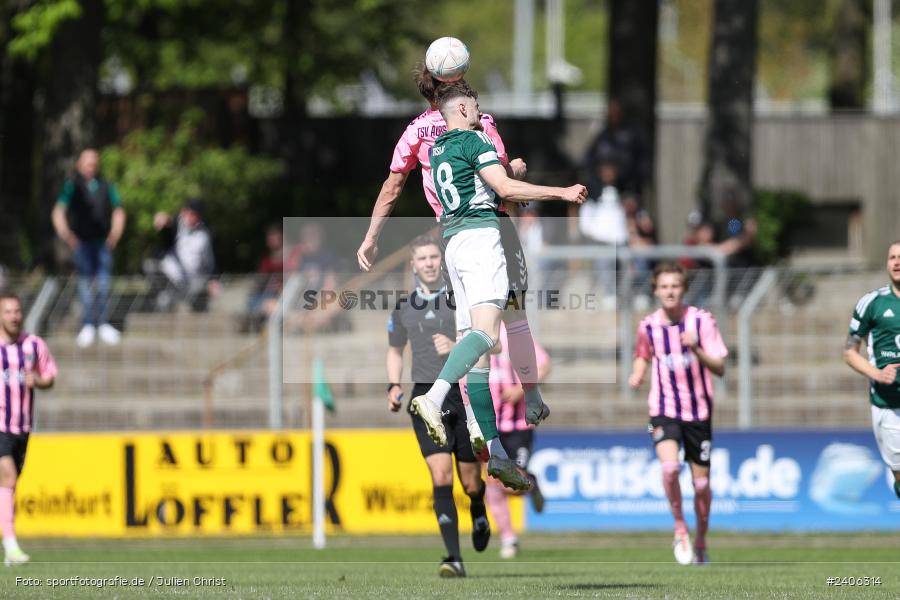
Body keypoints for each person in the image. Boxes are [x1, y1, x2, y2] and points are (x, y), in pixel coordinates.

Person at [356, 64, 547, 457]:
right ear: (457, 92)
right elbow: (500, 178)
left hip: (450, 238)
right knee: (511, 319)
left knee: (469, 330)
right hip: (491, 230)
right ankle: (531, 398)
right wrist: (523, 174)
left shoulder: (414, 132)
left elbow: (392, 186)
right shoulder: (480, 124)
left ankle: (480, 427)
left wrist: (371, 237)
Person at [410, 80, 586, 492]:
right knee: (490, 335)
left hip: (453, 241)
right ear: (463, 108)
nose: (480, 111)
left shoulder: (437, 149)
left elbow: (489, 180)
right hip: (482, 238)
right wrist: (561, 192)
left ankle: (494, 447)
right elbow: (504, 188)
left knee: (482, 348)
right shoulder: (475, 140)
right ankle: (435, 398)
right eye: (475, 103)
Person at [386, 235, 489, 577]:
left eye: (434, 257)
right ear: (413, 265)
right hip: (425, 398)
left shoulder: (459, 300)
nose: (429, 263)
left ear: (440, 263)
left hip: (461, 398)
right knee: (441, 475)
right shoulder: (403, 307)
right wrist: (393, 385)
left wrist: (457, 344)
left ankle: (478, 509)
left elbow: (492, 344)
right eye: (423, 258)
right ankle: (453, 559)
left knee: (471, 481)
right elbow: (395, 350)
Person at [628, 263, 727, 566]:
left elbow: (720, 368)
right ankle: (680, 527)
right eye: (664, 286)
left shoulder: (702, 321)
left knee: (701, 486)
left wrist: (696, 350)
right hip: (664, 409)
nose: (669, 291)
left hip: (698, 412)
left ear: (683, 289)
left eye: (675, 286)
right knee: (670, 469)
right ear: (656, 290)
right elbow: (643, 354)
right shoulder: (647, 326)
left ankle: (701, 541)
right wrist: (637, 374)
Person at [0, 293, 58, 566]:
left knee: (9, 486)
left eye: (17, 311)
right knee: (8, 478)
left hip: (22, 427)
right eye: (8, 311)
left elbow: (49, 377)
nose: (14, 316)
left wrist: (40, 381)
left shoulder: (33, 345)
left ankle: (9, 544)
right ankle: (11, 546)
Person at [485, 322, 551, 559]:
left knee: (516, 481)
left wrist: (521, 388)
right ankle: (508, 539)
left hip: (518, 426)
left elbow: (544, 364)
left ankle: (531, 483)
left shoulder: (514, 333)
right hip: (490, 426)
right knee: (493, 484)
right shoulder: (474, 332)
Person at [51, 148, 126, 348]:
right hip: (82, 244)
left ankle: (102, 323)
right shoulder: (72, 186)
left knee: (104, 284)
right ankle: (87, 325)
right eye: (87, 163)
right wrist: (66, 235)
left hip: (102, 244)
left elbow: (118, 210)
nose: (91, 167)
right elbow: (58, 211)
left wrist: (114, 235)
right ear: (79, 165)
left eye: (94, 163)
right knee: (85, 285)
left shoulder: (106, 185)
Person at [844, 241, 900, 501]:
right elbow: (849, 352)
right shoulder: (872, 303)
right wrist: (878, 374)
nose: (896, 262)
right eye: (892, 257)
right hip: (888, 405)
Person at [151, 200, 216, 312]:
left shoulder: (204, 234)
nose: (192, 218)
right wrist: (163, 221)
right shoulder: (176, 224)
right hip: (170, 278)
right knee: (151, 266)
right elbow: (167, 230)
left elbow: (210, 262)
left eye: (196, 215)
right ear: (184, 212)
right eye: (190, 214)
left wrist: (213, 280)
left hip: (193, 281)